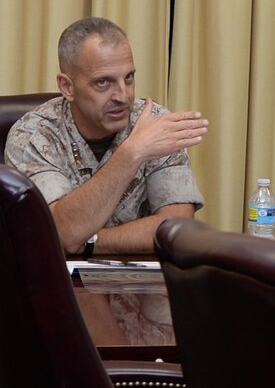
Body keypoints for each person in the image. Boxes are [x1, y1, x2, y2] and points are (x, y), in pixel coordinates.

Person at [4, 17, 207, 256]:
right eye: (103, 82)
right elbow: (64, 231)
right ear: (67, 87)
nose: (123, 95)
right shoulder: (33, 135)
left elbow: (177, 226)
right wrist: (132, 154)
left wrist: (90, 241)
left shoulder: (155, 123)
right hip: (62, 287)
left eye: (128, 77)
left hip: (144, 284)